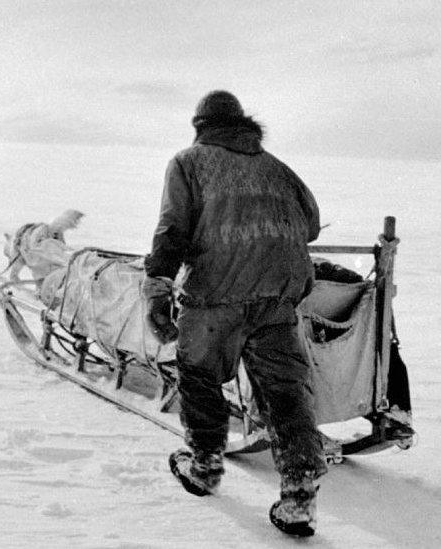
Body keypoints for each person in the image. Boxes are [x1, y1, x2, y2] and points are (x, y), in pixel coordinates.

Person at [143, 90, 327, 537]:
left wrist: (158, 285)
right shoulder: (278, 168)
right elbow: (312, 223)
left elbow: (173, 229)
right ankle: (300, 497)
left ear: (200, 125)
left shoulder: (188, 162)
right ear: (243, 123)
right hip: (279, 298)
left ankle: (204, 466)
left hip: (217, 296)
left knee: (200, 377)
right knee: (286, 395)